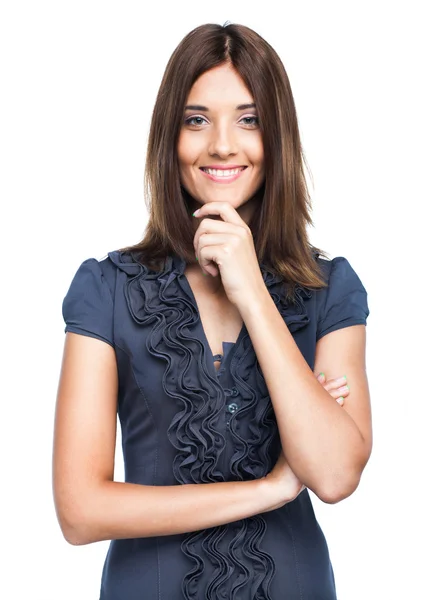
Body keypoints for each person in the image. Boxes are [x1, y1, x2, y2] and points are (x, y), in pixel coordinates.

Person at [53, 22, 372, 600]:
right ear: (168, 138)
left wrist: (251, 288)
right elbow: (79, 510)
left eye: (249, 120)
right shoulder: (105, 290)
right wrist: (270, 489)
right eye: (196, 120)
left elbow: (333, 474)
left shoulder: (331, 289)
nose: (222, 144)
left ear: (278, 138)